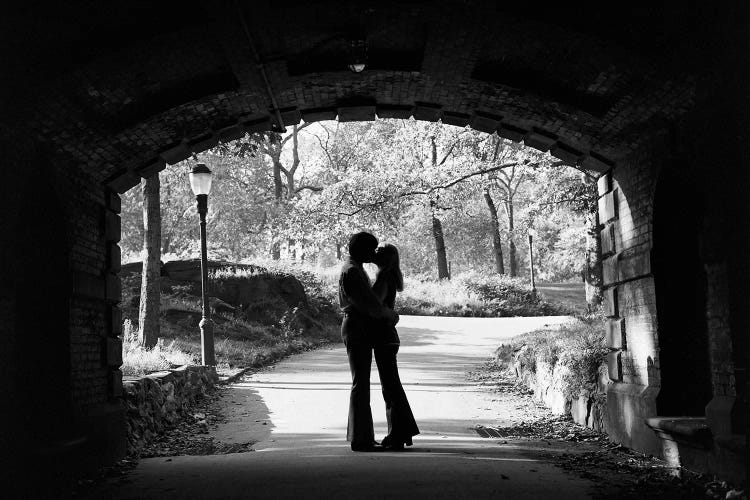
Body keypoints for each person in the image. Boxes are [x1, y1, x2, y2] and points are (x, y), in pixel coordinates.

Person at [338, 231, 399, 452]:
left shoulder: (354, 268)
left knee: (361, 382)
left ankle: (363, 435)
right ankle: (360, 438)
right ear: (362, 249)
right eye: (371, 250)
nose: (373, 254)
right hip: (356, 327)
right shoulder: (353, 271)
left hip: (357, 326)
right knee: (360, 383)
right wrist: (389, 315)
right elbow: (369, 304)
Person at [371, 244, 419, 450]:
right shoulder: (389, 277)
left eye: (378, 253)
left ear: (386, 259)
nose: (374, 254)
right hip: (389, 336)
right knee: (392, 386)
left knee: (390, 388)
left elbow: (374, 305)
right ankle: (401, 432)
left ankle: (397, 434)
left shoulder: (383, 278)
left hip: (384, 336)